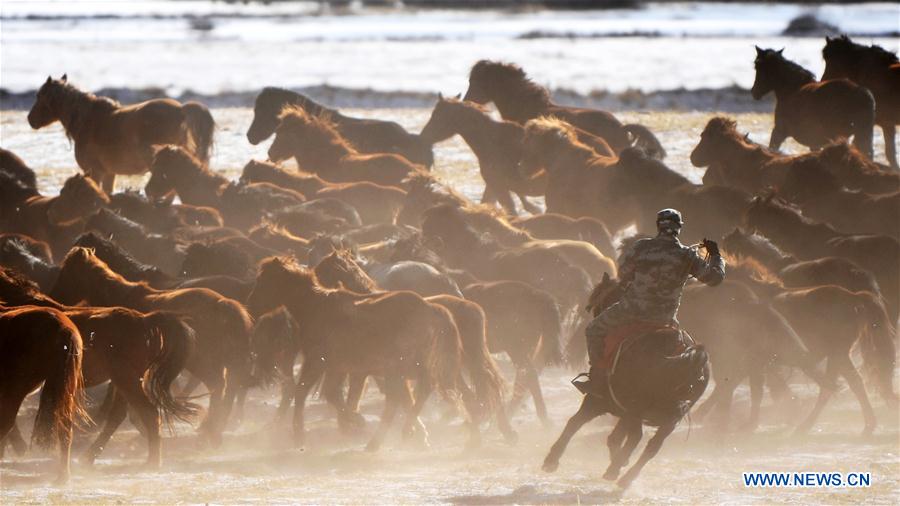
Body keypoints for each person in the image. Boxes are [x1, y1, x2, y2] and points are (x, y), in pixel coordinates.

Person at [576, 208, 725, 397]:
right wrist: (716, 255)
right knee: (688, 346)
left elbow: (623, 273)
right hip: (666, 318)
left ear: (658, 226)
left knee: (593, 330)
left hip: (630, 311)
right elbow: (715, 279)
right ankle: (690, 384)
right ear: (679, 228)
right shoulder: (688, 255)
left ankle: (596, 379)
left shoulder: (641, 247)